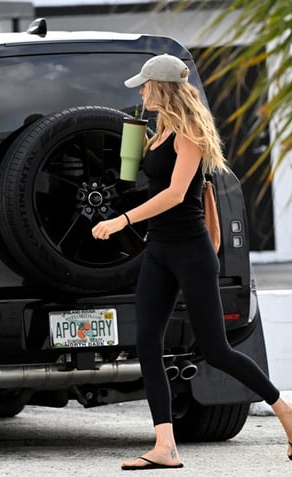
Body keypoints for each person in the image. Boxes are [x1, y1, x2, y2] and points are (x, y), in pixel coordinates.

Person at [91, 54, 292, 470]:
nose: (141, 91)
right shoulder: (158, 132)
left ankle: (284, 409)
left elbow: (175, 194)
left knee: (216, 349)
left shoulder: (190, 134)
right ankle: (165, 445)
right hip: (159, 250)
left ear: (161, 87)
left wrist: (121, 221)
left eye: (145, 85)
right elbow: (145, 184)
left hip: (190, 250)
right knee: (147, 342)